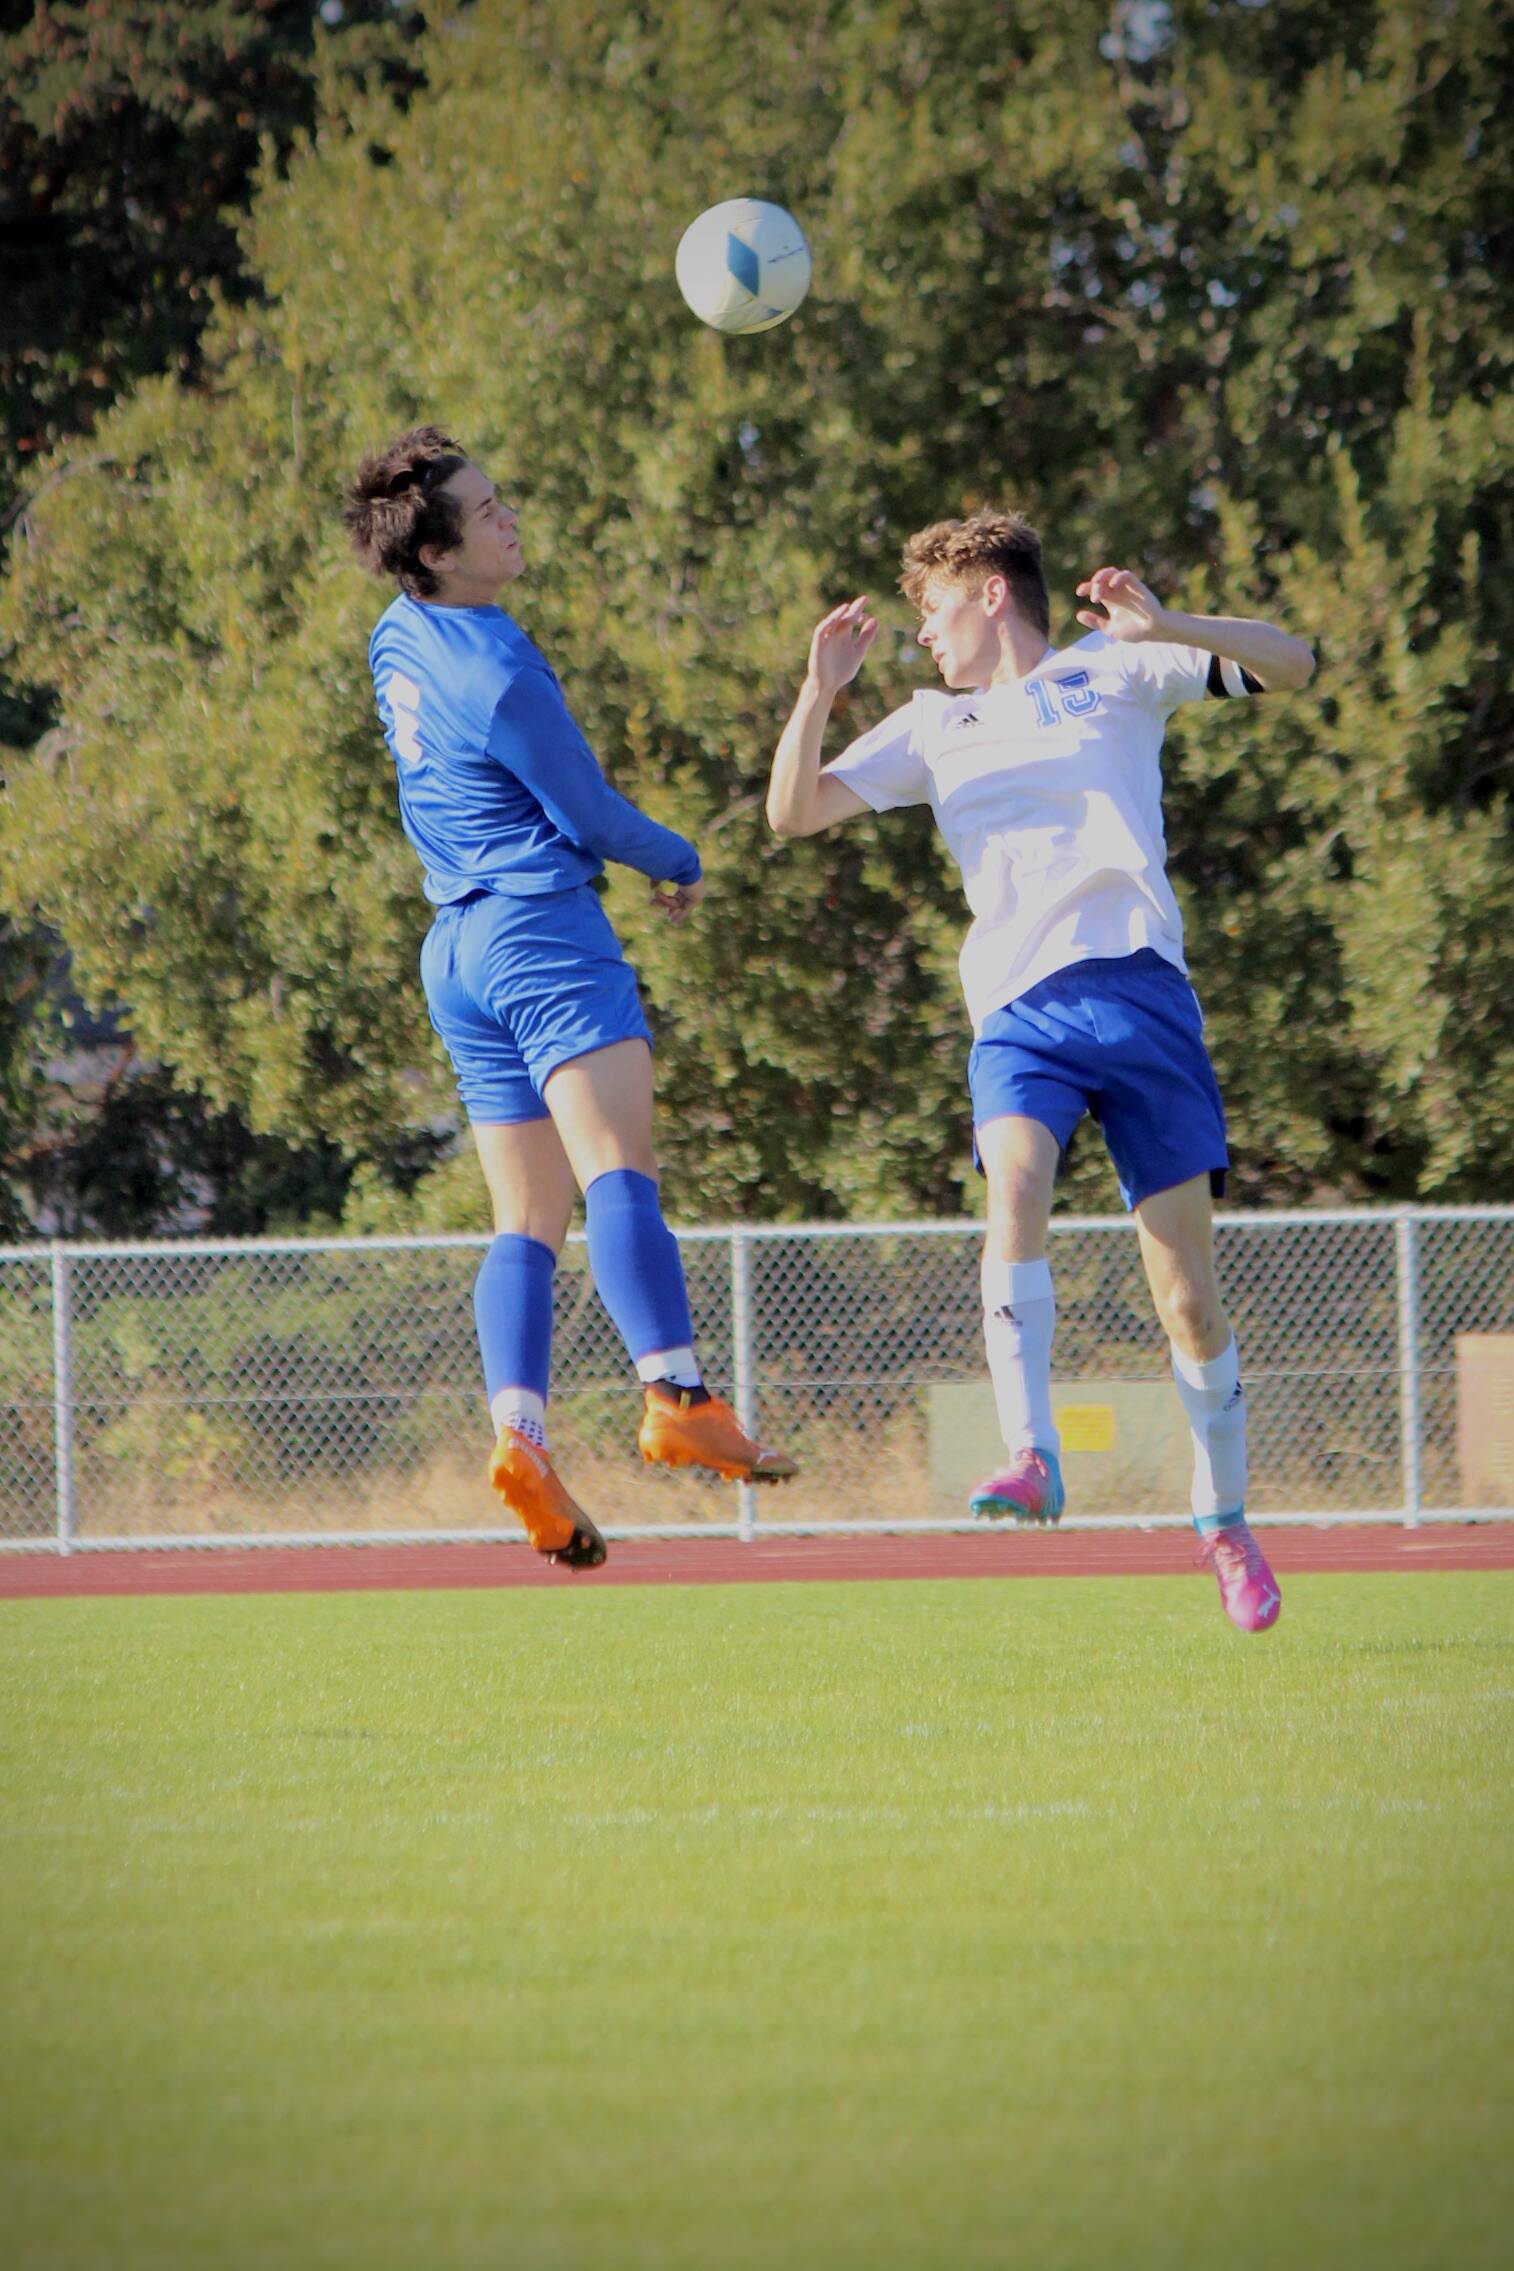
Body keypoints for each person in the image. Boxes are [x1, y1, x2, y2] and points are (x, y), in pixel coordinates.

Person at [766, 511, 1315, 1632]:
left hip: (1141, 1000)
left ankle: (1221, 1523)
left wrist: (1171, 623)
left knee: (1187, 1302)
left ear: (989, 594)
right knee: (1011, 1185)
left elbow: (1296, 665)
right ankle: (1031, 1453)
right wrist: (817, 692)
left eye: (929, 609)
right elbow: (792, 813)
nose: (920, 635)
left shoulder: (1113, 668)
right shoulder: (930, 725)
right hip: (1018, 1012)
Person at [343, 425, 794, 1570]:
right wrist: (680, 857)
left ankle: (522, 1440)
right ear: (435, 554)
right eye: (483, 510)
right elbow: (591, 817)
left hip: (455, 950)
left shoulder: (397, 636)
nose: (507, 517)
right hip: (541, 929)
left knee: (525, 1222)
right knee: (616, 1175)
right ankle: (676, 1395)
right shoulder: (493, 666)